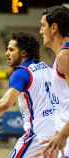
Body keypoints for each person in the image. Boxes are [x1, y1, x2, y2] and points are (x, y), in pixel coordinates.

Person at [0, 32, 57, 158]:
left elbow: (5, 104)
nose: (6, 53)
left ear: (23, 53)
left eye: (11, 50)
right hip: (58, 132)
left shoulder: (21, 73)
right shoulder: (48, 68)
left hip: (38, 134)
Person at [39, 6, 69, 158]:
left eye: (43, 26)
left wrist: (62, 135)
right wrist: (58, 134)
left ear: (54, 27)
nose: (40, 31)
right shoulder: (62, 56)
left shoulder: (65, 57)